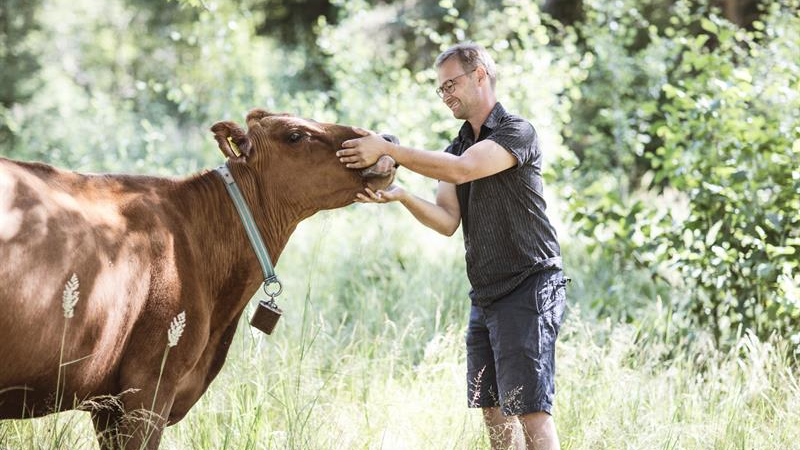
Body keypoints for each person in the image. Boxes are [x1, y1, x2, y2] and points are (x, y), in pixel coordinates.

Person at [336, 42, 568, 450]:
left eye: (451, 85)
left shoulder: (517, 131)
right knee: (493, 412)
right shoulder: (455, 147)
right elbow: (446, 221)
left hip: (530, 286)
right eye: (440, 89)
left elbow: (464, 171)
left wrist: (390, 150)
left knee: (531, 412)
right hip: (487, 294)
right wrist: (404, 196)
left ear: (480, 75)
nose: (446, 95)